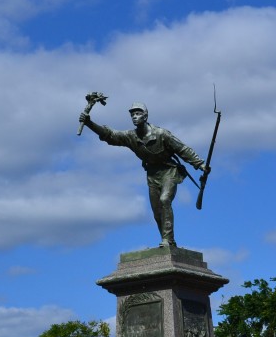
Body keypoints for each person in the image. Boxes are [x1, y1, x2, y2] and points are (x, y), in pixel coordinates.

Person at [80, 102, 208, 248]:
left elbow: (183, 149)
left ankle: (167, 239)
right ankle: (169, 241)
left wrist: (200, 164)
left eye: (138, 113)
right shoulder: (131, 136)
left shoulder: (161, 134)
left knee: (165, 199)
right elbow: (110, 135)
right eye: (132, 114)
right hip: (152, 175)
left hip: (169, 171)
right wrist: (89, 123)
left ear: (146, 116)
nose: (135, 117)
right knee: (156, 212)